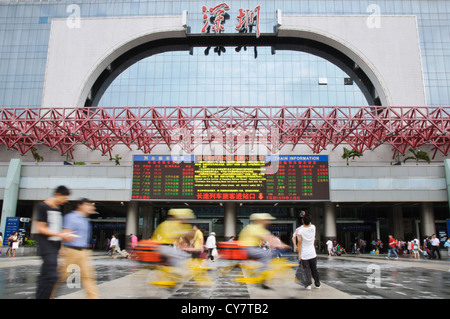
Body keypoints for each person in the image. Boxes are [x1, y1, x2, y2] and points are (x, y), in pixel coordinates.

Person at [50, 198, 99, 299]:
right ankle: (47, 294)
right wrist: (62, 247)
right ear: (80, 205)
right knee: (62, 276)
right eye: (88, 205)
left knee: (88, 277)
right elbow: (65, 232)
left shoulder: (85, 220)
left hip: (84, 252)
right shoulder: (71, 217)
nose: (91, 207)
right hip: (71, 251)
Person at [35, 185, 76, 299]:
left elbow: (57, 228)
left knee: (47, 276)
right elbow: (41, 228)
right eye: (64, 198)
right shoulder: (43, 206)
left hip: (55, 245)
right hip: (46, 246)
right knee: (52, 276)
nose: (65, 201)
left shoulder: (57, 209)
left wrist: (61, 245)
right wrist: (60, 235)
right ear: (57, 195)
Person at [238, 213, 290, 288]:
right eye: (266, 220)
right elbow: (269, 238)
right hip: (248, 248)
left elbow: (270, 237)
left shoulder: (252, 227)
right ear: (260, 220)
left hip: (247, 248)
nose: (268, 221)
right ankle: (259, 273)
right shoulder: (256, 228)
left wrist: (281, 244)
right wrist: (284, 245)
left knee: (267, 256)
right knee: (267, 255)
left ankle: (263, 280)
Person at [297, 212, 320, 289]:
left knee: (306, 270)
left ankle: (308, 284)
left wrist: (299, 255)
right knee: (314, 269)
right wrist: (306, 218)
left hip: (304, 254)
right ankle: (317, 283)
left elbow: (299, 244)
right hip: (312, 253)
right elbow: (309, 223)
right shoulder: (313, 227)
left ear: (303, 221)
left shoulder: (300, 231)